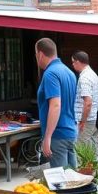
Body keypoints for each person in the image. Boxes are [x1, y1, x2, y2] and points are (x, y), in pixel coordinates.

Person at [35, 38, 78, 168]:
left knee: (60, 182)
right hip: (71, 131)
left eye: (36, 55)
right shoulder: (69, 72)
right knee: (73, 179)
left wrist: (47, 137)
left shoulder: (50, 74)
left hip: (57, 134)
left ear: (40, 54)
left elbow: (55, 105)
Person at [71, 51, 98, 162]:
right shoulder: (93, 75)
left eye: (73, 62)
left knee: (81, 152)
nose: (73, 65)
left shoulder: (84, 78)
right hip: (93, 118)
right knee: (94, 148)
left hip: (86, 120)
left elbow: (87, 102)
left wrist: (82, 121)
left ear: (78, 61)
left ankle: (85, 177)